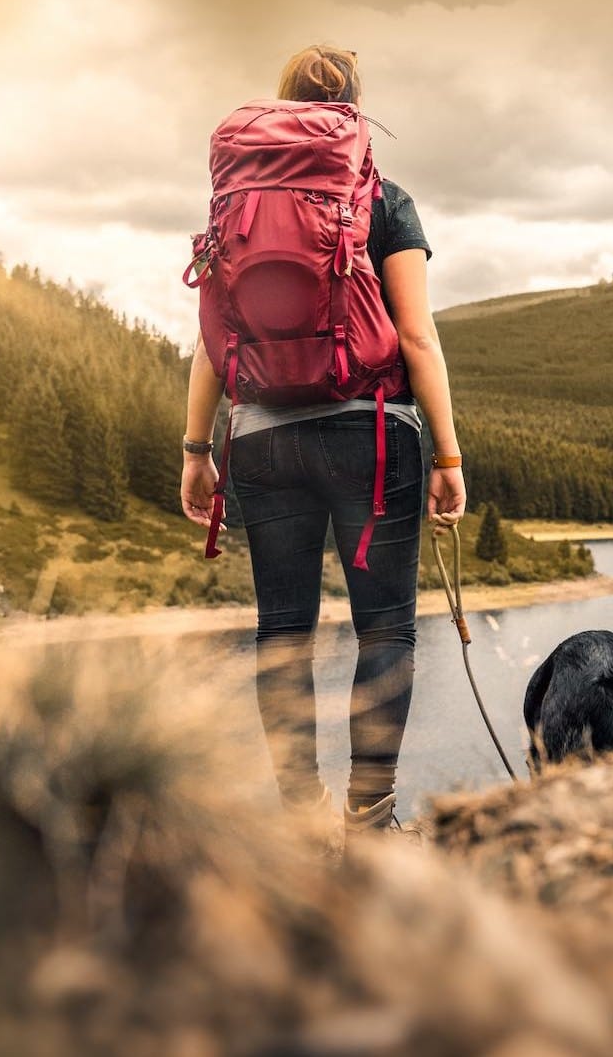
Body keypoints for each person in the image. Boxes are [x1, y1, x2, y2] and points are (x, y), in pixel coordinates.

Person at [180, 44, 466, 836]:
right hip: (371, 439)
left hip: (262, 443)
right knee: (386, 629)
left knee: (283, 632)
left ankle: (301, 824)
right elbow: (416, 335)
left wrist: (195, 450)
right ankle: (369, 818)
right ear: (352, 110)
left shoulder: (233, 206)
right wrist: (447, 455)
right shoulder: (385, 200)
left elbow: (211, 337)